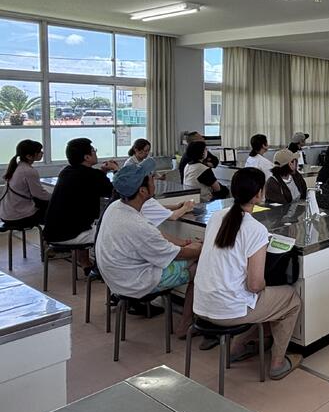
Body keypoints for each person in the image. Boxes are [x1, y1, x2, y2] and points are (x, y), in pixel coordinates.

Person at [194, 168, 302, 379]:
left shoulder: (216, 217)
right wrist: (265, 285)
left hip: (201, 304)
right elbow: (254, 285)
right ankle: (278, 364)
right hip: (227, 311)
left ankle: (237, 348)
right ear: (258, 194)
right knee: (290, 299)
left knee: (259, 300)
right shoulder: (255, 229)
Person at [96, 158, 202, 333]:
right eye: (151, 178)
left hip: (115, 277)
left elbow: (155, 235)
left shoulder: (117, 207)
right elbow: (176, 254)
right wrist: (199, 248)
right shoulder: (137, 225)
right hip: (133, 282)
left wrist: (184, 243)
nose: (155, 180)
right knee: (199, 267)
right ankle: (186, 324)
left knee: (191, 255)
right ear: (143, 190)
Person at [44, 138, 118, 267]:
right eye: (93, 151)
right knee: (116, 232)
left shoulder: (66, 171)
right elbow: (118, 191)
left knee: (83, 221)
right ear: (87, 157)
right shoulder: (93, 175)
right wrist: (116, 170)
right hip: (71, 235)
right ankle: (103, 269)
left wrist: (103, 172)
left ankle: (85, 263)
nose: (95, 153)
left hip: (52, 233)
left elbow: (89, 180)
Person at [0, 139, 50, 227]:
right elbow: (39, 194)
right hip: (19, 218)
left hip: (5, 215)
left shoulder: (16, 167)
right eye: (39, 152)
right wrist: (56, 196)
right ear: (29, 156)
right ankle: (51, 234)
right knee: (55, 208)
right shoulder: (28, 171)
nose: (42, 153)